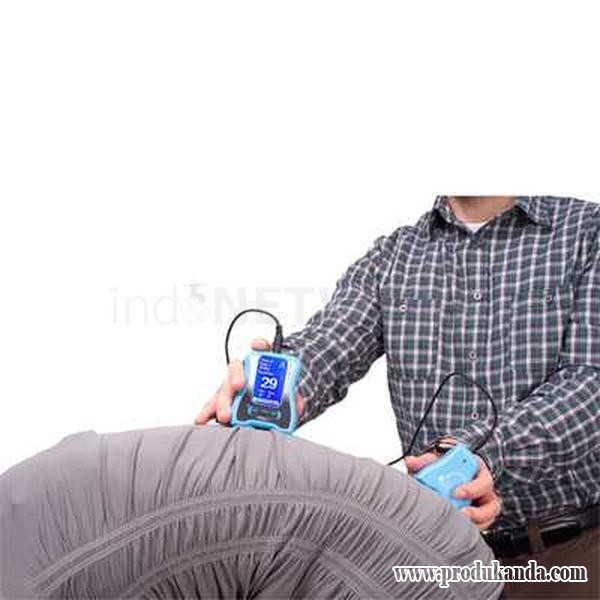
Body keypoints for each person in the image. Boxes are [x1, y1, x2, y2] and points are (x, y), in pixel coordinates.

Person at [196, 196, 599, 598]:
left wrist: (485, 453)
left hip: (566, 560)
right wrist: (281, 385)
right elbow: (331, 342)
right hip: (432, 561)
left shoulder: (587, 232)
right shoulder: (392, 257)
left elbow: (590, 384)